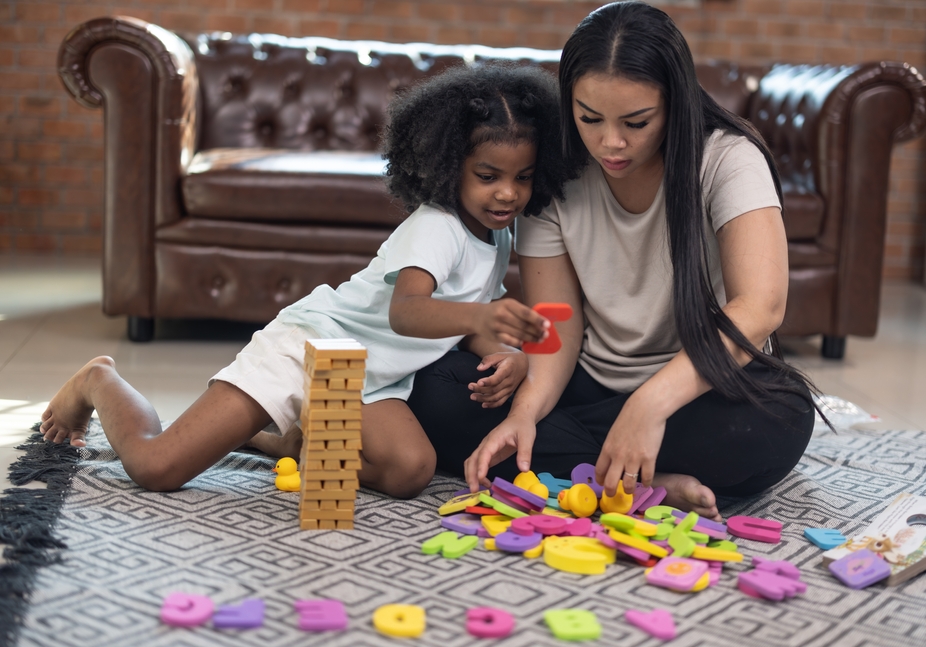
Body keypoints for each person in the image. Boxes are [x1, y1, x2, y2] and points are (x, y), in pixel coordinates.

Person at [38, 63, 568, 498]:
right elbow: (406, 311)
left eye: (522, 177)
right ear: (449, 163)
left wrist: (507, 352)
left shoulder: (497, 234)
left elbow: (475, 311)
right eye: (488, 176)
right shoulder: (437, 226)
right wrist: (482, 317)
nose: (508, 194)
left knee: (410, 471)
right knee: (158, 468)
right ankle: (98, 380)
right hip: (312, 346)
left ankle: (285, 438)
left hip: (372, 380)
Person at [408, 1, 818, 521]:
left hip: (692, 389)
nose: (611, 143)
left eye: (636, 121)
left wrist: (648, 406)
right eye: (589, 118)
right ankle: (642, 483)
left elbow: (761, 307)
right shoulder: (554, 171)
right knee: (433, 386)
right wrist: (527, 412)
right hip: (585, 384)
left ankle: (576, 469)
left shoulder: (728, 159)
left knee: (779, 420)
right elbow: (557, 321)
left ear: (676, 103)